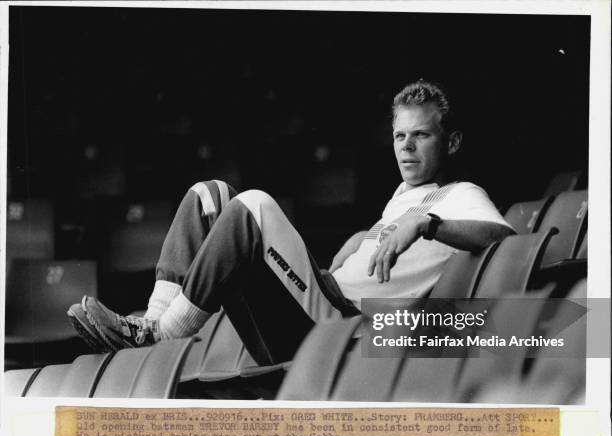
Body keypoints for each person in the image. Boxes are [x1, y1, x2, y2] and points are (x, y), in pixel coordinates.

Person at [68, 80, 514, 364]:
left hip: (339, 328)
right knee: (209, 194)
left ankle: (159, 335)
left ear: (451, 141)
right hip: (318, 298)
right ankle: (152, 321)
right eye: (400, 135)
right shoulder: (401, 197)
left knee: (255, 205)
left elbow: (504, 236)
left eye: (422, 135)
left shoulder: (461, 195)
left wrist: (427, 223)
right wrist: (367, 237)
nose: (407, 147)